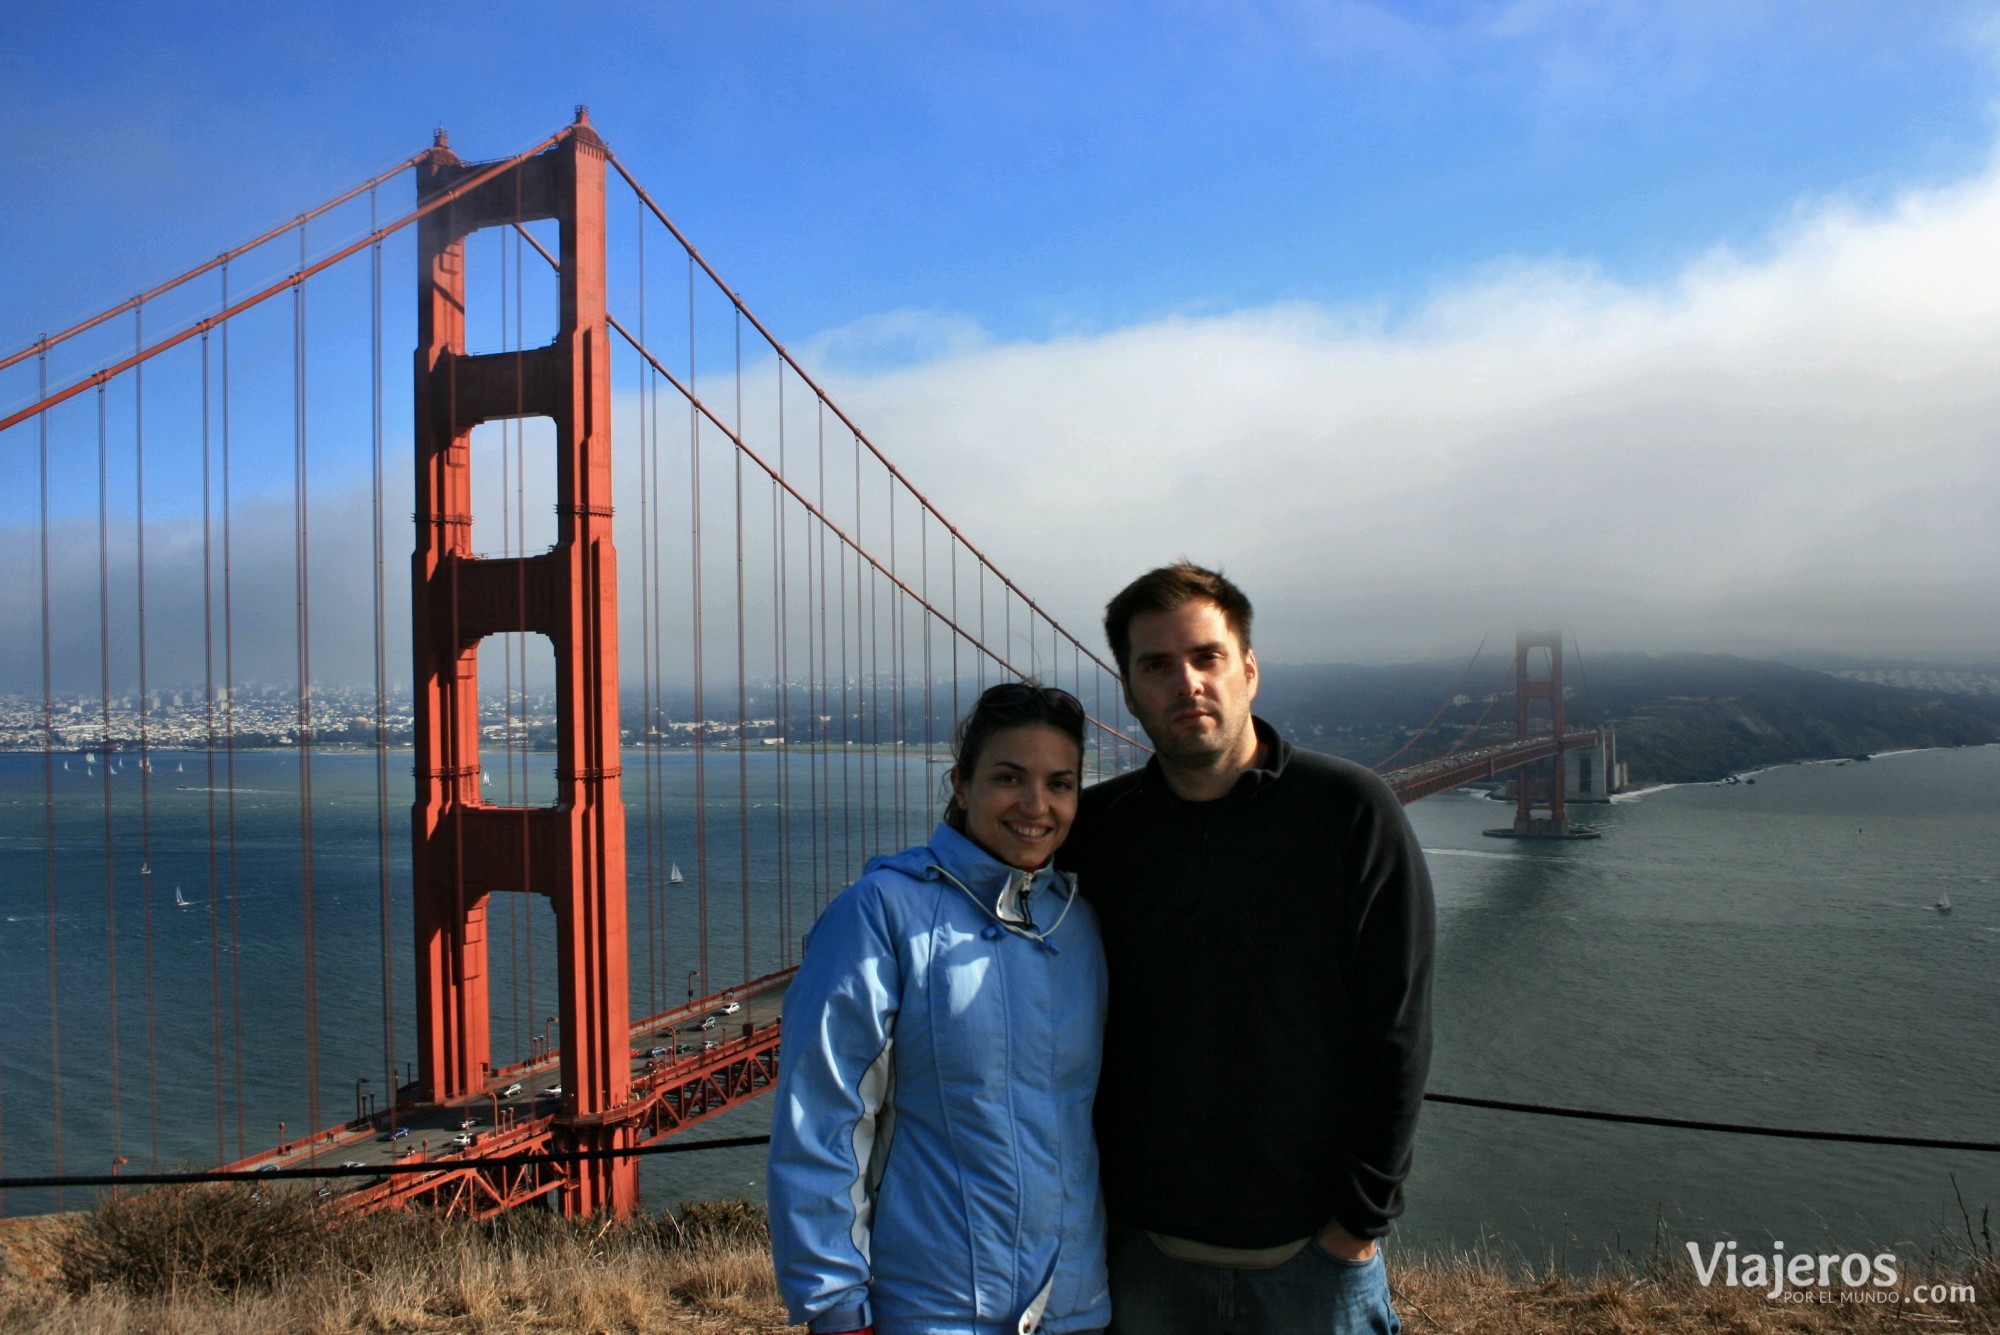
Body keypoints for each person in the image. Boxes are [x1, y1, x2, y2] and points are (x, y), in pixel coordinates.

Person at [1059, 562, 1435, 1335]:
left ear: (1250, 670)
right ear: (1128, 693)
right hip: (1143, 1254)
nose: (1186, 682)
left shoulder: (1352, 813)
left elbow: (1396, 1030)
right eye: (1156, 666)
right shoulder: (1092, 833)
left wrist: (1354, 1227)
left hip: (1312, 1262)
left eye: (1207, 657)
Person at [768, 682, 1112, 1335]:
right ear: (960, 782)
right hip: (931, 1311)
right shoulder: (881, 911)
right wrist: (836, 1307)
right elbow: (825, 1116)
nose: (1036, 805)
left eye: (1060, 783)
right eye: (1009, 777)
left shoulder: (1080, 924)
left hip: (1077, 1309)